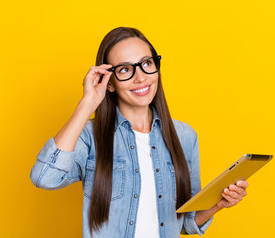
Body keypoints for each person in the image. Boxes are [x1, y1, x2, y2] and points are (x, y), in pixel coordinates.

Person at [30, 27, 249, 238]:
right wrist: (88, 103)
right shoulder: (90, 136)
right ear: (109, 82)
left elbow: (185, 223)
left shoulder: (184, 136)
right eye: (125, 69)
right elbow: (45, 178)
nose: (141, 77)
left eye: (146, 63)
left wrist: (218, 205)